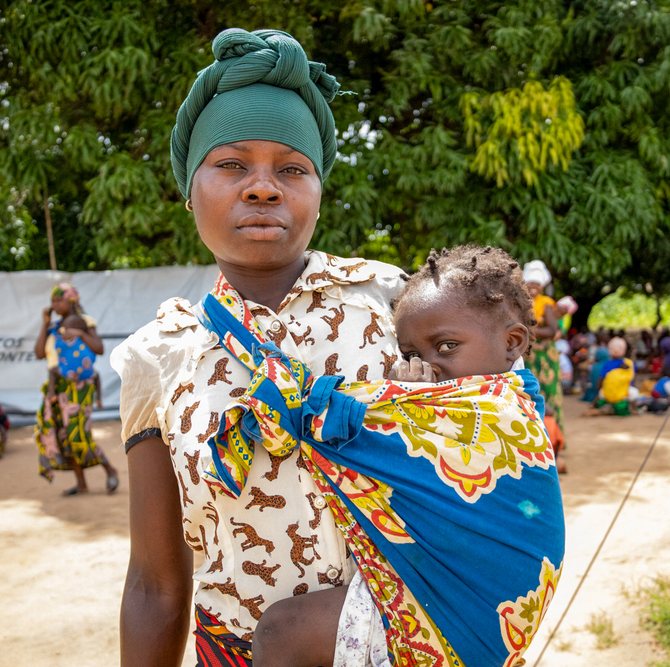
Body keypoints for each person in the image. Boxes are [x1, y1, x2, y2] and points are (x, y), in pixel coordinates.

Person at [111, 30, 563, 667]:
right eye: (232, 164)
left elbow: (495, 447)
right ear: (190, 188)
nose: (263, 187)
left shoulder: (394, 304)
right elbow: (155, 582)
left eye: (292, 169)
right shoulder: (156, 357)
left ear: (319, 190)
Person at [242, 245, 563, 666]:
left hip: (468, 605)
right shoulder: (455, 398)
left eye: (447, 346)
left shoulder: (504, 410)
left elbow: (365, 434)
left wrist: (399, 405)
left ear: (512, 343)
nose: (427, 365)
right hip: (452, 593)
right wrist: (409, 403)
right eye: (411, 355)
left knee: (281, 633)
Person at [34, 284, 117, 496]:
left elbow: (98, 348)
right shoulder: (53, 327)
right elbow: (39, 354)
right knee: (62, 435)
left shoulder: (85, 323)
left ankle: (109, 469)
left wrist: (79, 332)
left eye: (58, 300)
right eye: (52, 301)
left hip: (80, 387)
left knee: (79, 432)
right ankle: (81, 483)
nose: (54, 305)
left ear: (71, 300)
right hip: (57, 386)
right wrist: (44, 325)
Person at [523, 260, 564, 431]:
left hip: (545, 353)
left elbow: (553, 329)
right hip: (527, 354)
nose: (534, 287)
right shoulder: (520, 303)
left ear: (541, 287)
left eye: (537, 284)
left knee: (550, 392)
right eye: (530, 283)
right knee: (528, 392)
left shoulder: (546, 302)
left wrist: (530, 331)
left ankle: (555, 439)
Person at [584, 337, 636, 416]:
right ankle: (634, 410)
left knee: (601, 393)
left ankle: (593, 406)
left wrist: (599, 391)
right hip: (623, 394)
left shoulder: (607, 364)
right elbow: (631, 381)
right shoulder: (629, 363)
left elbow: (600, 381)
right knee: (634, 393)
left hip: (607, 394)